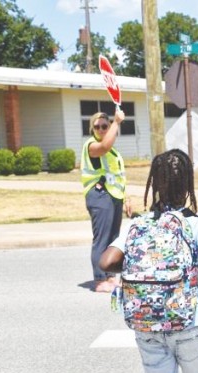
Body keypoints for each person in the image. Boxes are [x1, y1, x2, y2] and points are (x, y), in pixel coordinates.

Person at [99, 149, 198, 373]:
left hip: (146, 322)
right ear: (188, 185)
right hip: (188, 320)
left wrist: (141, 271)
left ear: (155, 184)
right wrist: (194, 273)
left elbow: (106, 261)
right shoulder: (195, 224)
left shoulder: (139, 224)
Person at [80, 110, 132, 293]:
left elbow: (118, 176)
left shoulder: (114, 152)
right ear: (92, 129)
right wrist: (116, 122)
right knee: (102, 239)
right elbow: (104, 147)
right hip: (99, 195)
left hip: (114, 195)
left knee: (113, 239)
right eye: (97, 126)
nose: (101, 129)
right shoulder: (91, 145)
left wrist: (126, 198)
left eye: (105, 126)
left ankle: (110, 276)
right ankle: (100, 279)